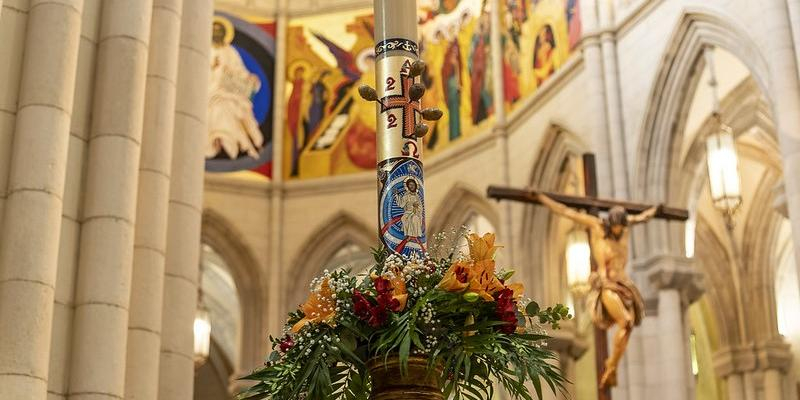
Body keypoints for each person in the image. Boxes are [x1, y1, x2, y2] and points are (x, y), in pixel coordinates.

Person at [536, 193, 658, 388]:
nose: (620, 232)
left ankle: (612, 365)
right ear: (611, 224)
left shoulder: (624, 229)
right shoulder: (596, 227)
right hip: (607, 286)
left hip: (625, 286)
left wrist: (651, 213)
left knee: (628, 326)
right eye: (618, 228)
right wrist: (542, 198)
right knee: (625, 322)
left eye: (622, 228)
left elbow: (638, 218)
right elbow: (566, 211)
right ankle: (611, 366)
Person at [208, 17, 264, 160]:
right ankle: (226, 142)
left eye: (219, 31)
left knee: (238, 106)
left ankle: (243, 143)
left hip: (227, 90)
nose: (216, 33)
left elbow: (240, 71)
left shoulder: (230, 51)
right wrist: (212, 69)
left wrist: (249, 78)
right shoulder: (203, 49)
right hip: (208, 91)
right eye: (214, 30)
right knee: (220, 106)